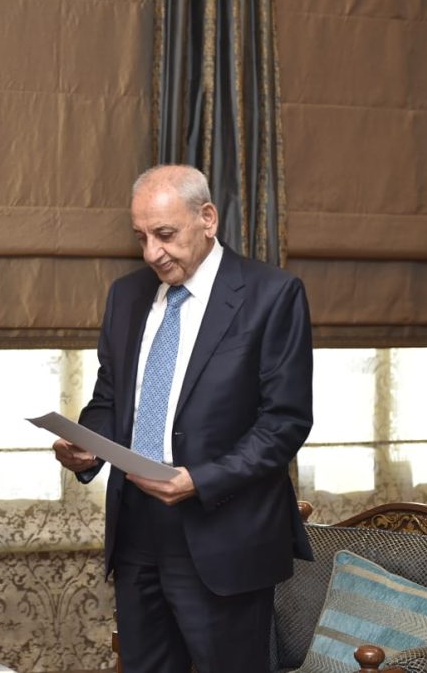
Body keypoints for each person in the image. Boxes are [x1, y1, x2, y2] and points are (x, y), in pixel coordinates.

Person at [53, 165, 313, 673]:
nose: (152, 253)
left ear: (207, 219)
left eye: (165, 234)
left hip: (225, 534)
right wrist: (88, 445)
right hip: (136, 532)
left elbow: (284, 422)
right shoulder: (126, 295)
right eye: (142, 237)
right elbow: (110, 398)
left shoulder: (272, 294)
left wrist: (200, 480)